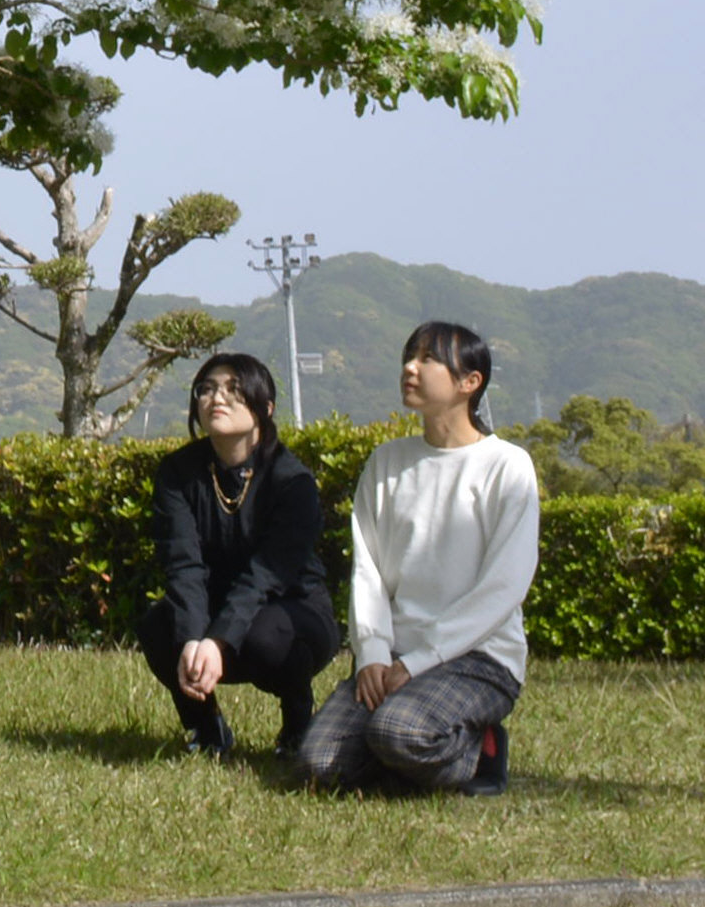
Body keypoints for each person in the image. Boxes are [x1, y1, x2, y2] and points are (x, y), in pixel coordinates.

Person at [293, 318, 538, 797]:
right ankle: (402, 752)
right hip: (395, 657)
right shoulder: (387, 462)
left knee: (398, 733)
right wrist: (372, 654)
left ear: (471, 383)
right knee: (318, 765)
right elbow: (369, 571)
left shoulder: (507, 466)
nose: (410, 367)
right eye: (410, 356)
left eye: (428, 358)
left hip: (478, 658)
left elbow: (505, 586)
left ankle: (480, 750)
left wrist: (423, 660)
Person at [139, 350, 338, 759]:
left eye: (234, 390)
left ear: (266, 408)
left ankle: (298, 722)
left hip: (293, 611)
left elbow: (267, 575)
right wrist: (195, 638)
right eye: (207, 389)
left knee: (264, 635)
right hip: (214, 608)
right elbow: (183, 566)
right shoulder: (178, 473)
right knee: (160, 624)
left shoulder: (292, 481)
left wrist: (218, 639)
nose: (217, 398)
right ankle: (205, 728)